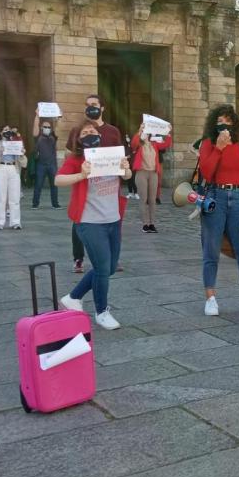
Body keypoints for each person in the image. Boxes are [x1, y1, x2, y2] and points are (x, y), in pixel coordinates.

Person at [56, 122, 131, 330]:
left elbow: (127, 176)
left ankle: (73, 297)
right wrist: (81, 174)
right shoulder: (77, 159)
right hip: (90, 222)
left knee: (108, 268)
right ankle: (101, 311)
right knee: (101, 268)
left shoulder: (111, 155)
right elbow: (58, 180)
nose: (90, 133)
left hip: (113, 219)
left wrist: (126, 170)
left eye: (93, 131)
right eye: (85, 132)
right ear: (78, 139)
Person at [198, 104, 239, 317]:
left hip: (237, 198)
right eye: (220, 121)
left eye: (227, 121)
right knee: (211, 251)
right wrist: (218, 148)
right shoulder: (208, 144)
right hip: (215, 197)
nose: (224, 125)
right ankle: (210, 298)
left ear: (234, 124)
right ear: (214, 124)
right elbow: (207, 173)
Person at [70, 95, 123, 273]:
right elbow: (71, 154)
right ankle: (78, 258)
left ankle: (111, 258)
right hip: (86, 183)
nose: (90, 107)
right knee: (80, 220)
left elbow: (121, 154)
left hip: (108, 183)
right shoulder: (78, 129)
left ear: (102, 108)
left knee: (112, 220)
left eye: (93, 105)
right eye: (87, 105)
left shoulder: (113, 131)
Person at [130, 122, 173, 233]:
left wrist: (168, 132)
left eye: (146, 133)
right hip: (141, 173)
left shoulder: (154, 144)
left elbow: (166, 144)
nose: (145, 134)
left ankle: (152, 223)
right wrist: (139, 130)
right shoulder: (139, 145)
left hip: (153, 173)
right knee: (143, 199)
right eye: (143, 133)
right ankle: (145, 224)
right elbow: (133, 143)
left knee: (152, 200)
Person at [0, 125, 26, 230]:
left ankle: (16, 222)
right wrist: (0, 152)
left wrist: (22, 154)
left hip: (13, 168)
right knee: (1, 197)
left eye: (9, 130)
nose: (7, 131)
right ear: (1, 132)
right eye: (5, 130)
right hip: (1, 167)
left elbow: (24, 163)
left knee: (15, 197)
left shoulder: (16, 142)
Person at [31, 113, 61, 210]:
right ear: (41, 127)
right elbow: (35, 126)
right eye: (45, 126)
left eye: (48, 127)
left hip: (52, 164)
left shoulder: (53, 136)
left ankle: (55, 204)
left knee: (54, 185)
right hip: (41, 164)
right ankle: (35, 204)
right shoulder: (38, 136)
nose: (47, 128)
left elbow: (58, 128)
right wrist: (36, 115)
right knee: (38, 185)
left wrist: (58, 118)